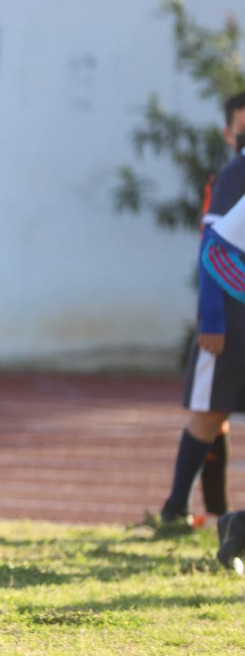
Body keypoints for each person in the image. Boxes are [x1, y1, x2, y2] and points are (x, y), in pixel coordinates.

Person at [154, 96, 245, 532]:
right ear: (230, 132)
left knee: (219, 414)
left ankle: (221, 514)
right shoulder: (234, 174)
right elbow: (213, 247)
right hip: (229, 320)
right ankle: (178, 510)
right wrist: (211, 318)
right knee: (210, 412)